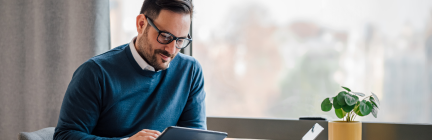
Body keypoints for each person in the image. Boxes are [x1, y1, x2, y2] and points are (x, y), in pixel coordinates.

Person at [54, 0, 206, 139]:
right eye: (165, 36)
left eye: (180, 40)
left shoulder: (190, 71)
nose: (172, 50)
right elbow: (64, 136)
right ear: (141, 24)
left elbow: (194, 136)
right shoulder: (95, 73)